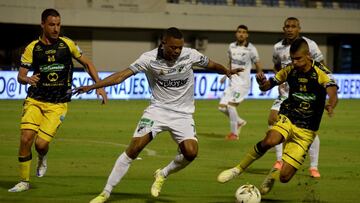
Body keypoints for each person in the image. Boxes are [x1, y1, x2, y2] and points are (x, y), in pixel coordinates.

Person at [74, 27, 243, 203]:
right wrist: (94, 86)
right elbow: (121, 76)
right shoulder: (149, 59)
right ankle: (105, 193)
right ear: (163, 44)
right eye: (173, 48)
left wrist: (226, 71)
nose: (177, 51)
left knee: (191, 153)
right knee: (134, 148)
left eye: (179, 47)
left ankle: (162, 174)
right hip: (157, 110)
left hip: (183, 115)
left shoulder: (190, 55)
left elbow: (212, 64)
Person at [217, 38, 338, 195]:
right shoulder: (290, 69)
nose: (294, 62)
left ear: (308, 55)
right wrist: (262, 82)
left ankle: (273, 174)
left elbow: (333, 93)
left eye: (298, 58)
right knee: (271, 140)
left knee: (285, 177)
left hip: (306, 131)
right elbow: (268, 86)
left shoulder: (322, 72)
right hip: (289, 117)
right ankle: (238, 169)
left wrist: (331, 104)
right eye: (292, 58)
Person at [8, 8, 107, 192]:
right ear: (43, 25)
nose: (55, 28)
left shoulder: (67, 44)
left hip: (58, 104)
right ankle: (24, 181)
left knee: (41, 144)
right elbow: (21, 75)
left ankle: (42, 157)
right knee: (26, 138)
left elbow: (88, 63)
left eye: (58, 24)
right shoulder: (32, 48)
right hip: (35, 99)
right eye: (52, 25)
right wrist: (27, 79)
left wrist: (99, 85)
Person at [269, 17, 325, 178]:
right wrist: (279, 79)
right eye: (287, 26)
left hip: (306, 93)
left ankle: (313, 166)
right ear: (283, 28)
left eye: (293, 26)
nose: (289, 29)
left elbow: (321, 65)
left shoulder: (310, 44)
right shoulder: (277, 47)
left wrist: (321, 88)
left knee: (307, 128)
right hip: (286, 92)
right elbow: (276, 65)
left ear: (299, 28)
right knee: (273, 119)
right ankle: (280, 160)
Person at [218, 25, 263, 140]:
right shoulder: (231, 46)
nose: (241, 34)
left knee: (231, 106)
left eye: (244, 32)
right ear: (236, 34)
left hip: (243, 84)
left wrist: (260, 74)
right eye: (239, 32)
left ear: (247, 35)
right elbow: (229, 61)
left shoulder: (251, 49)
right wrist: (225, 73)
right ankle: (239, 121)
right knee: (222, 107)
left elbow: (257, 63)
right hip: (232, 82)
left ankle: (234, 134)